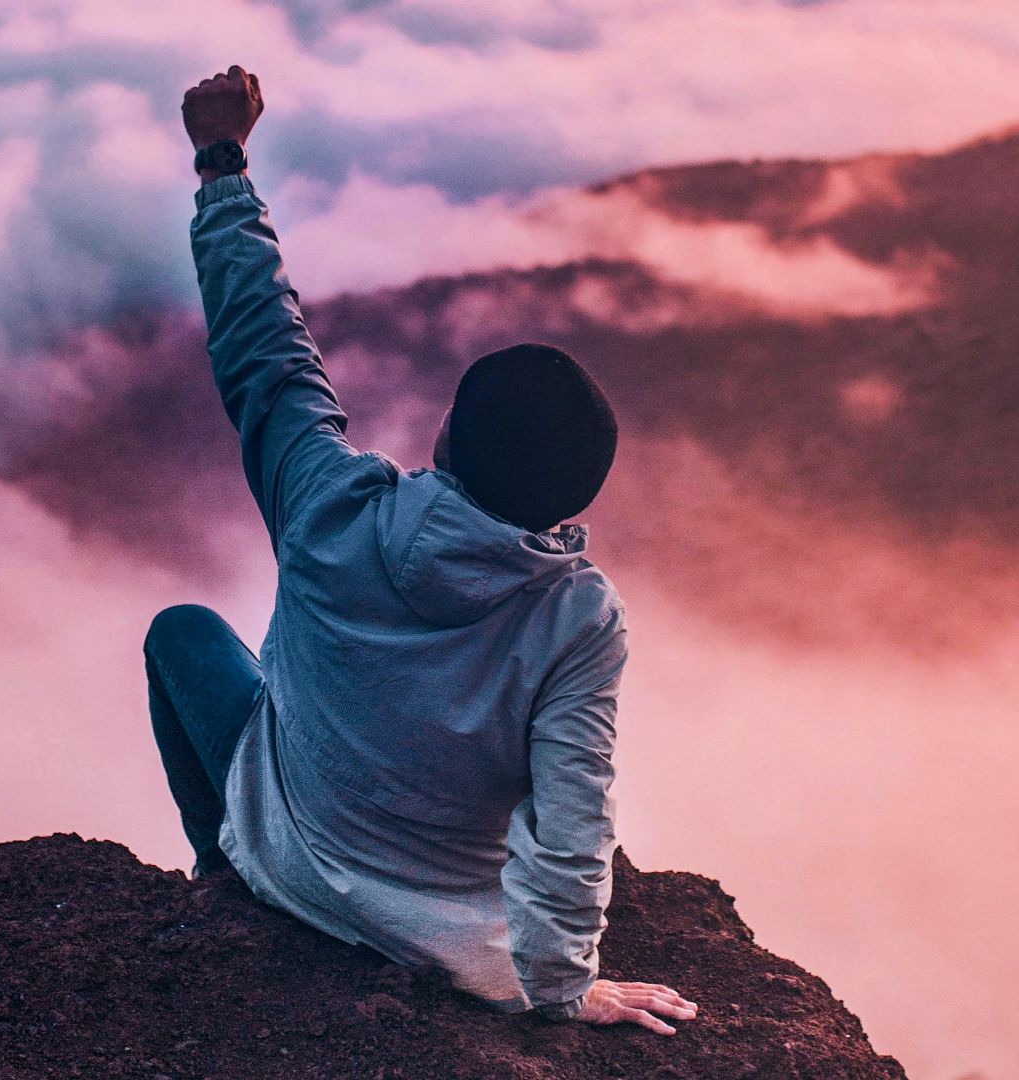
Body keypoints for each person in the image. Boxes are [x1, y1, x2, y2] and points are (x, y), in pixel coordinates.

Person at [144, 64, 698, 1036]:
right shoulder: (578, 616)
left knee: (183, 634)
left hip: (289, 859)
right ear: (573, 498)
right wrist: (564, 988)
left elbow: (265, 353)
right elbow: (575, 825)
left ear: (448, 440)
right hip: (442, 935)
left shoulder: (329, 502)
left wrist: (221, 164)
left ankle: (220, 869)